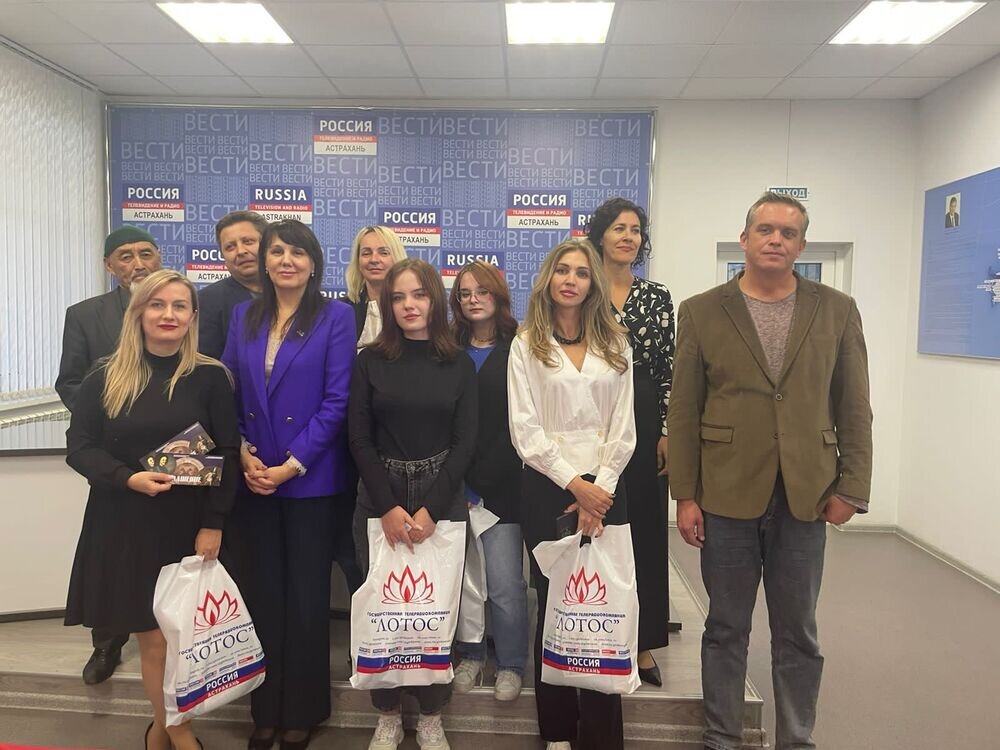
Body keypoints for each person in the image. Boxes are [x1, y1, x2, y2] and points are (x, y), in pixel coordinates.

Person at [668, 192, 873, 750]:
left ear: (801, 245)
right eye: (765, 229)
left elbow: (854, 405)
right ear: (745, 238)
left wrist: (853, 487)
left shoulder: (837, 309)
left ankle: (796, 740)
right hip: (725, 493)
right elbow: (684, 410)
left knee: (798, 633)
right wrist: (685, 495)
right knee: (725, 628)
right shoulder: (701, 310)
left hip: (808, 495)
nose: (775, 239)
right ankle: (722, 737)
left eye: (788, 232)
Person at [64, 269, 240, 750]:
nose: (168, 314)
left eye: (179, 306)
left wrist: (214, 524)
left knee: (186, 640)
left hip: (189, 526)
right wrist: (127, 477)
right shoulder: (105, 376)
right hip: (124, 524)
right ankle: (183, 737)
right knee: (154, 638)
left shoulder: (211, 376)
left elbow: (227, 453)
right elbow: (79, 448)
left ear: (192, 317)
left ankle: (158, 733)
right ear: (138, 313)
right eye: (157, 304)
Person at [221, 219, 356, 750]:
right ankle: (265, 711)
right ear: (265, 261)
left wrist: (291, 464)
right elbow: (228, 389)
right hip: (254, 477)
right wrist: (240, 449)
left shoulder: (336, 316)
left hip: (309, 479)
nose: (286, 261)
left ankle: (303, 709)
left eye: (297, 252)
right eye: (277, 251)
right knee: (264, 596)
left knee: (305, 599)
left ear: (313, 262)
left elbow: (337, 401)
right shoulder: (244, 315)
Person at [507, 238, 636, 750]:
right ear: (548, 278)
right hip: (547, 487)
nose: (571, 280)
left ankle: (602, 736)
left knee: (603, 606)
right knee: (556, 606)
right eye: (562, 270)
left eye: (582, 273)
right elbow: (524, 430)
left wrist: (599, 490)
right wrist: (576, 485)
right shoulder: (526, 344)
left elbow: (624, 427)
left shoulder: (616, 343)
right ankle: (557, 733)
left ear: (593, 283)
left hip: (608, 489)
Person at [349, 258, 476, 750]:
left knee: (434, 611)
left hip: (440, 493)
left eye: (418, 295)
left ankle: (430, 716)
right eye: (398, 297)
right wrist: (386, 506)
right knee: (381, 611)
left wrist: (431, 509)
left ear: (434, 300)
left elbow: (466, 442)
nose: (409, 305)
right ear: (387, 304)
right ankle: (386, 715)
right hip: (379, 493)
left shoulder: (458, 362)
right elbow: (359, 438)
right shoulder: (370, 360)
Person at [56, 224, 162, 686]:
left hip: (172, 456)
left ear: (159, 257)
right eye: (125, 256)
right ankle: (107, 642)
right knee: (110, 552)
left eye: (145, 253)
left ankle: (173, 639)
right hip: (111, 458)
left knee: (169, 551)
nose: (137, 264)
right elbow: (70, 382)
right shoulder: (85, 315)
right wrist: (110, 421)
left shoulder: (182, 306)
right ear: (109, 265)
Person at [588, 197, 674, 686]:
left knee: (643, 529)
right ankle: (595, 629)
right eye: (619, 228)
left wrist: (665, 430)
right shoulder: (580, 287)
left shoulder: (656, 297)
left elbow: (668, 370)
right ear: (600, 235)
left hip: (642, 417)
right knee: (598, 525)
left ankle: (642, 642)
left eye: (636, 230)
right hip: (590, 416)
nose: (628, 236)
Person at [448, 261, 529, 701]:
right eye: (464, 293)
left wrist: (488, 483)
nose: (473, 299)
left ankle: (511, 664)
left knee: (504, 585)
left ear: (498, 295)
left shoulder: (522, 347)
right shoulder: (447, 349)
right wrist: (455, 483)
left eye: (481, 291)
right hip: (453, 487)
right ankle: (471, 655)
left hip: (504, 487)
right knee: (463, 583)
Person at [198, 210, 268, 359]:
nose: (240, 251)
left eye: (248, 242)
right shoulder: (207, 300)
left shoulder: (291, 293)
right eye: (230, 247)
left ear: (268, 245)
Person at [345, 225, 408, 348]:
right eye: (366, 253)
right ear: (358, 262)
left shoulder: (411, 308)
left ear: (397, 258)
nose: (374, 259)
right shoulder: (341, 312)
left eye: (384, 253)